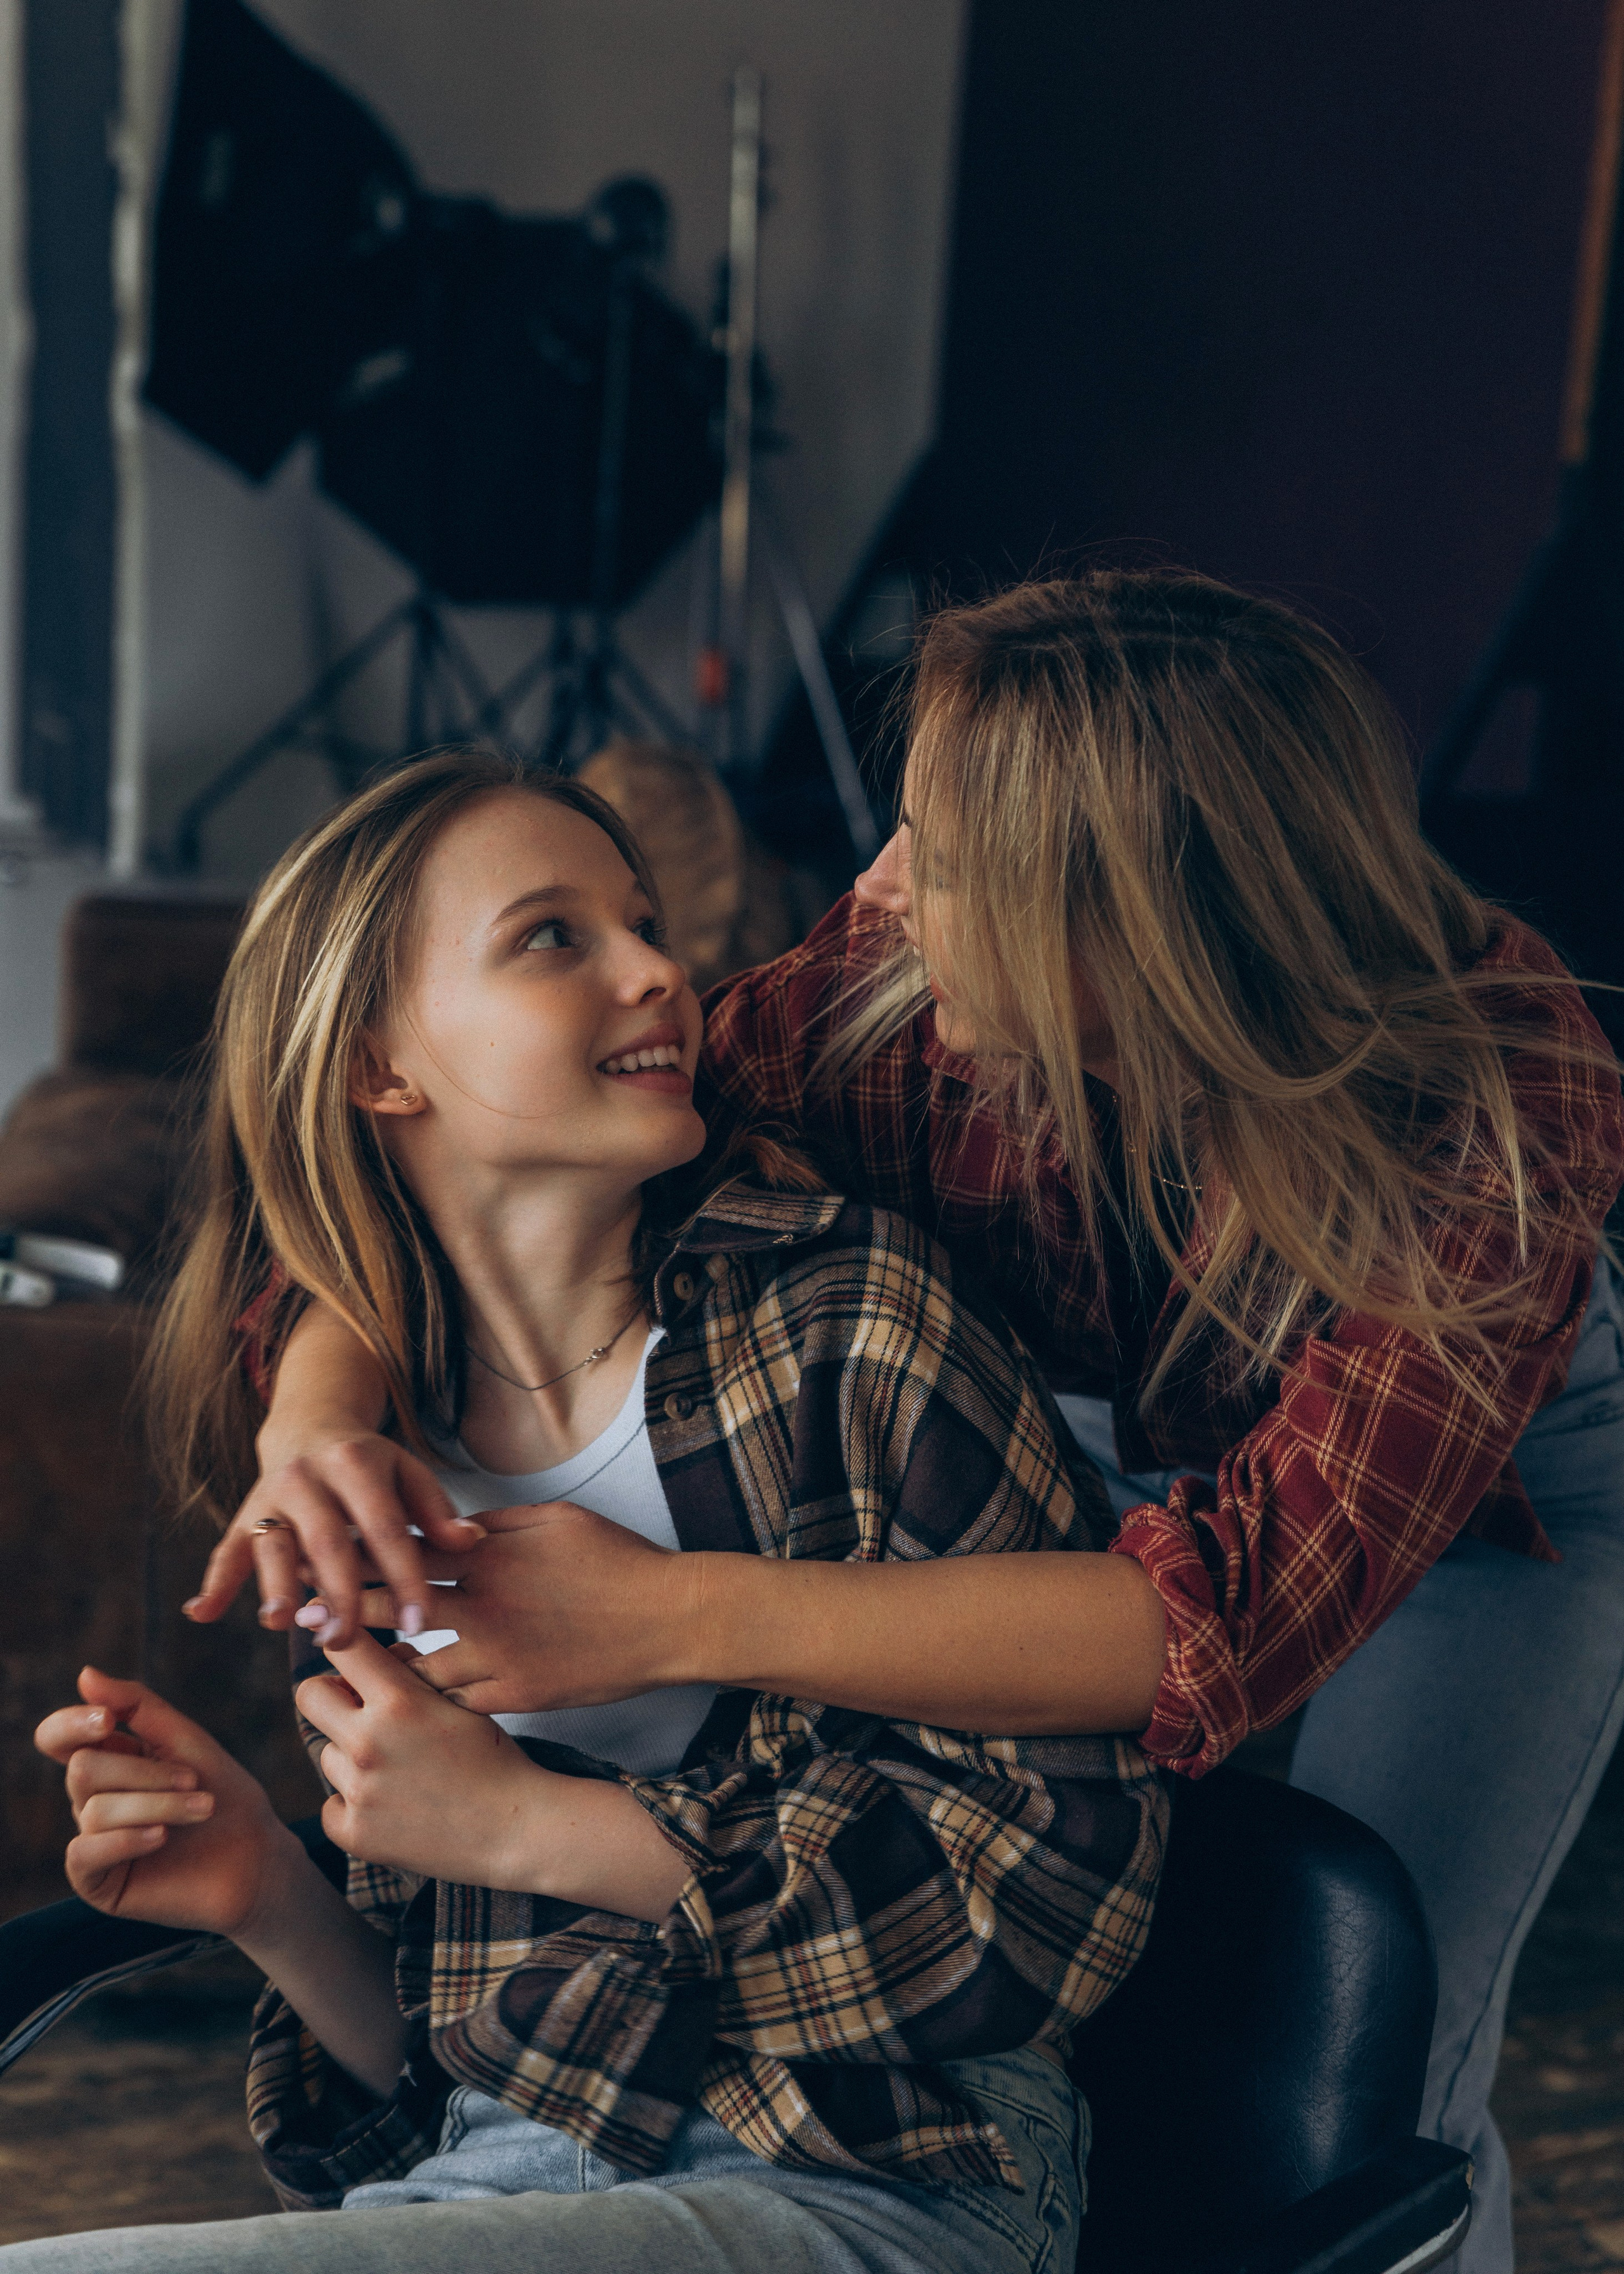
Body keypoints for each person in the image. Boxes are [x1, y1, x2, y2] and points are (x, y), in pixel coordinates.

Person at [214, 573, 1624, 2274]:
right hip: (1075, 1399)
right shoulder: (876, 1012)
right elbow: (453, 1168)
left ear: (1130, 916)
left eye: (942, 861)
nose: (878, 891)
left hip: (1475, 1489)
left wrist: (659, 1615)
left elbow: (1222, 1628)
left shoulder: (1493, 1104)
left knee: (1390, 2052)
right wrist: (314, 1410)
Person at [17, 751, 1165, 2274]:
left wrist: (538, 1826)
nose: (656, 970)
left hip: (887, 2183)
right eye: (551, 935)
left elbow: (1057, 1894)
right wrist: (268, 1894)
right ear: (380, 1067)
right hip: (495, 2188)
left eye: (643, 922)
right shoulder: (364, 1475)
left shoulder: (853, 1321)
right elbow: (443, 2082)